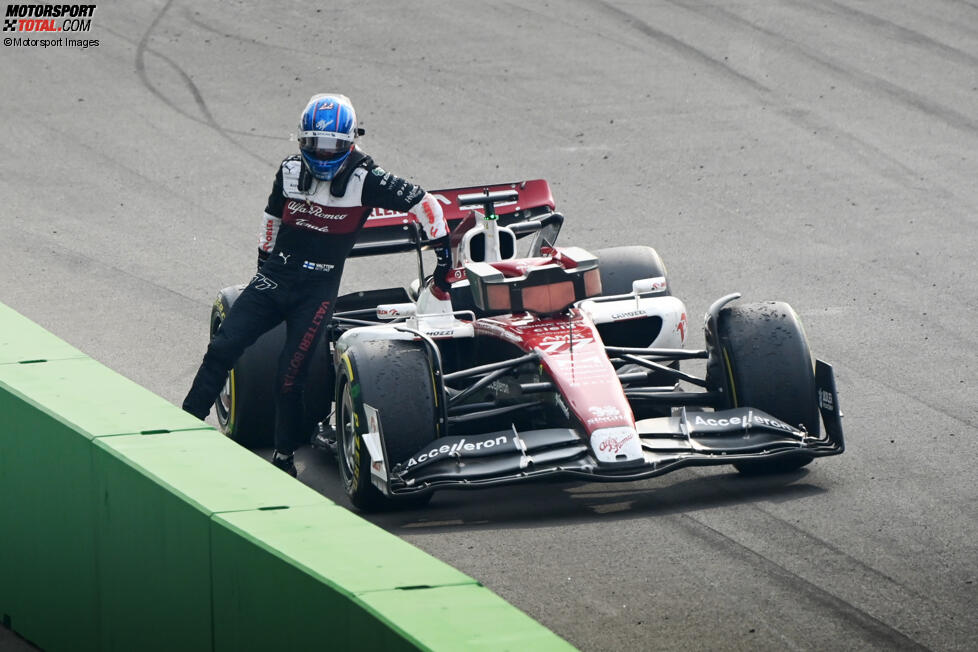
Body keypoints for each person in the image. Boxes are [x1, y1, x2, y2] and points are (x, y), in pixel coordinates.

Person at [182, 93, 453, 477]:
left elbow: (429, 206)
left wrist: (444, 268)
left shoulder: (367, 179)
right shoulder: (289, 170)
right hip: (275, 278)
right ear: (301, 142)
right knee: (222, 347)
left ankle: (284, 458)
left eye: (332, 147)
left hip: (317, 292)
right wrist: (263, 268)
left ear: (350, 141)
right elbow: (270, 221)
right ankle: (186, 425)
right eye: (315, 145)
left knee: (289, 378)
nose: (323, 155)